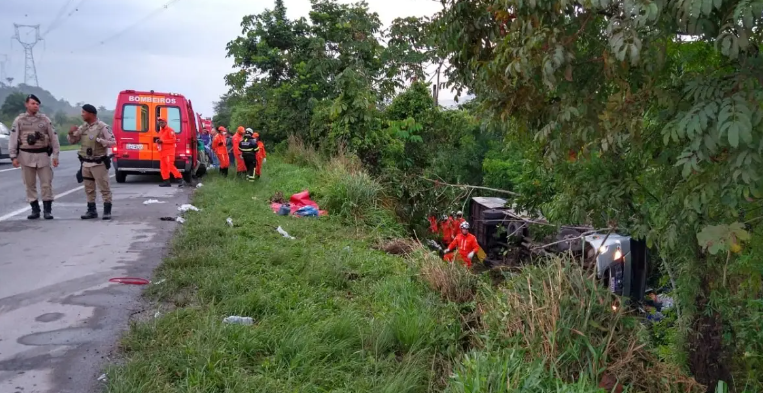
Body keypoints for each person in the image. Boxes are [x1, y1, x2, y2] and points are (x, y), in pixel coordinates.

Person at [8, 94, 60, 220]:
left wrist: (55, 155)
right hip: (25, 156)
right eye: (32, 103)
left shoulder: (45, 120)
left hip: (42, 155)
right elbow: (13, 139)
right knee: (29, 184)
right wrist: (13, 156)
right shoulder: (19, 120)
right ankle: (35, 210)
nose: (35, 106)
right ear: (26, 104)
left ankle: (47, 210)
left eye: (37, 104)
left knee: (46, 183)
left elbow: (54, 138)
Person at [67, 104, 116, 220]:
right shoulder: (83, 127)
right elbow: (73, 141)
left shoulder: (103, 127)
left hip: (98, 162)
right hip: (86, 163)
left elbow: (113, 142)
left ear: (91, 114)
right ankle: (91, 210)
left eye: (84, 112)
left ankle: (107, 210)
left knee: (104, 187)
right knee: (88, 188)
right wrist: (70, 133)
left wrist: (101, 141)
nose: (82, 114)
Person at [156, 117, 185, 187]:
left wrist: (162, 141)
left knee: (170, 166)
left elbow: (173, 140)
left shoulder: (170, 130)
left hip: (169, 152)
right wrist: (158, 143)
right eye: (160, 122)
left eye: (162, 122)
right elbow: (161, 141)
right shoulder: (160, 132)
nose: (161, 123)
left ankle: (180, 179)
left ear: (166, 123)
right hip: (162, 152)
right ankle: (166, 181)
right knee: (163, 167)